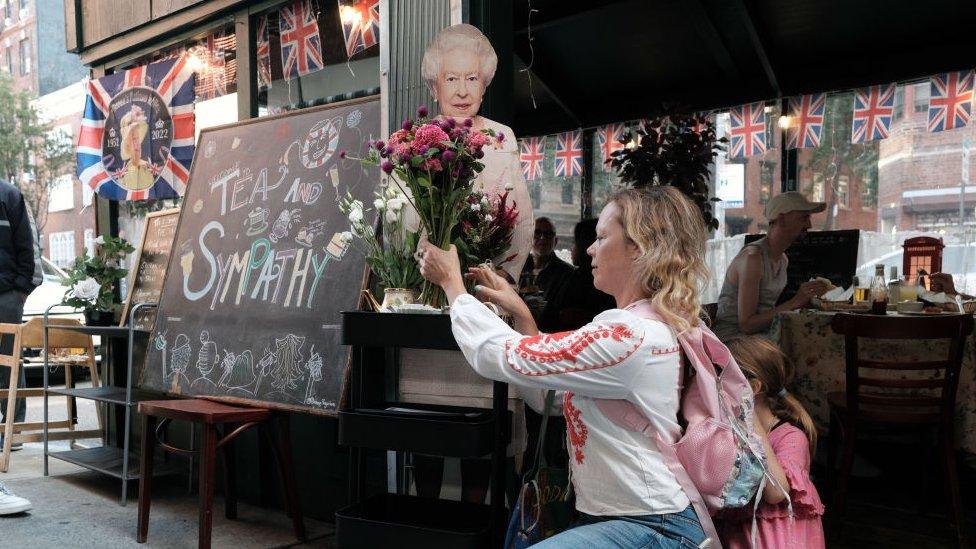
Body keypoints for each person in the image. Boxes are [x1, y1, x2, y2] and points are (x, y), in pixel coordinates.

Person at [417, 186, 709, 548]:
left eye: (602, 237)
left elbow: (497, 354)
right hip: (624, 519)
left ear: (639, 247)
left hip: (652, 526)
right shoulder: (636, 327)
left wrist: (452, 286)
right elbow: (547, 398)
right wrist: (522, 314)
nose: (589, 248)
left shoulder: (630, 336)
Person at [401, 23, 535, 504]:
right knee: (429, 426)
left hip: (485, 297)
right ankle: (427, 519)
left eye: (471, 79)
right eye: (452, 79)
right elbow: (401, 223)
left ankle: (480, 524)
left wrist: (501, 285)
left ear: (485, 84)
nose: (461, 90)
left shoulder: (501, 138)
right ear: (434, 85)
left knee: (484, 427)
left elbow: (519, 221)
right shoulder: (415, 139)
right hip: (430, 305)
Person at [716, 337, 825, 549]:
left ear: (753, 388)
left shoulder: (791, 437)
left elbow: (776, 493)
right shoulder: (728, 431)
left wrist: (751, 420)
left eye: (720, 378)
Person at [712, 192, 831, 341]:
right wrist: (795, 302)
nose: (809, 225)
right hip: (732, 342)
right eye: (804, 218)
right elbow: (746, 325)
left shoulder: (782, 260)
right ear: (782, 219)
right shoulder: (753, 258)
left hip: (760, 337)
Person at [0, 177, 41, 515]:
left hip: (6, 296)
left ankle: (11, 431)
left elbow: (26, 246)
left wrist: (20, 290)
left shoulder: (9, 195)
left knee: (7, 366)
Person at [520, 217, 574, 331]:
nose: (542, 238)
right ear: (529, 237)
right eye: (537, 233)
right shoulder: (517, 267)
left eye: (548, 234)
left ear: (556, 241)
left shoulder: (568, 273)